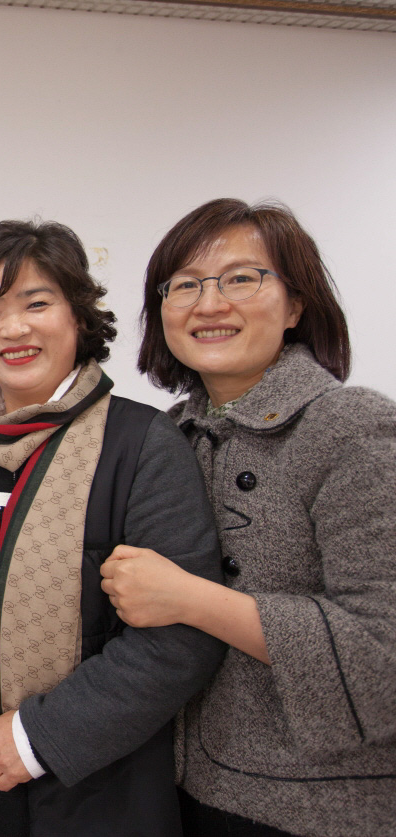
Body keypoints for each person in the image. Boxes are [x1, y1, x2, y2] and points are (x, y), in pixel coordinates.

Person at [0, 219, 226, 836]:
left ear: (78, 316)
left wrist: (37, 735)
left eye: (36, 304)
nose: (13, 329)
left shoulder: (142, 444)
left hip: (92, 784)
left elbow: (181, 640)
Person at [102, 198, 396, 837]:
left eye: (241, 278)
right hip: (177, 791)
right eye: (186, 285)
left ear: (295, 305)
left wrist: (190, 599)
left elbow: (383, 656)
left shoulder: (354, 429)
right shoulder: (166, 436)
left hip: (315, 809)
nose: (209, 304)